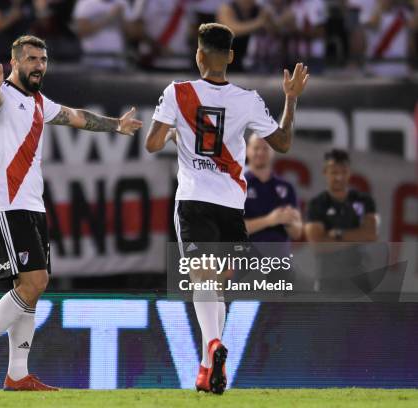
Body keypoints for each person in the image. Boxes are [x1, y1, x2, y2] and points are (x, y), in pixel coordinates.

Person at [0, 35, 142, 392]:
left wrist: (115, 125)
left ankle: (17, 374)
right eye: (31, 59)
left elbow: (77, 117)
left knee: (28, 290)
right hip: (7, 205)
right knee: (36, 282)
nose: (38, 65)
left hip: (32, 205)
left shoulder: (40, 103)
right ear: (14, 62)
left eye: (43, 59)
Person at [145, 23, 309, 394]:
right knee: (217, 287)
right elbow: (282, 142)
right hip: (232, 205)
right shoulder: (247, 99)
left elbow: (152, 144)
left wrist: (172, 132)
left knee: (202, 283)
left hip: (193, 201)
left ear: (199, 55)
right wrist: (291, 98)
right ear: (231, 57)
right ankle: (207, 368)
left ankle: (213, 347)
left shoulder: (178, 92)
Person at [304, 149, 379, 292]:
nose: (339, 177)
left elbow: (371, 234)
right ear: (325, 172)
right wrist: (357, 236)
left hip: (359, 280)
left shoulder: (364, 200)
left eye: (343, 172)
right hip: (328, 281)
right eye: (333, 172)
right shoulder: (316, 204)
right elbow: (317, 246)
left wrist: (338, 235)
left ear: (349, 172)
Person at [244, 133, 302, 243]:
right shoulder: (238, 185)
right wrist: (270, 220)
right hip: (247, 256)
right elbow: (232, 229)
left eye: (265, 148)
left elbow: (297, 233)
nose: (260, 152)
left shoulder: (286, 187)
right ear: (247, 150)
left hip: (278, 257)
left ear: (273, 151)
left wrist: (288, 221)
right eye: (256, 148)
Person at [72, 0, 131, 70]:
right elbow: (82, 32)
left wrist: (123, 18)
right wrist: (109, 17)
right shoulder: (85, 2)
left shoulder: (122, 2)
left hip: (118, 61)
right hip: (93, 60)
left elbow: (132, 35)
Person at [217, 0, 269, 72]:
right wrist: (257, 23)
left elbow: (271, 28)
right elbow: (229, 30)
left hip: (249, 57)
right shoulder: (227, 8)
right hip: (226, 57)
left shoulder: (259, 9)